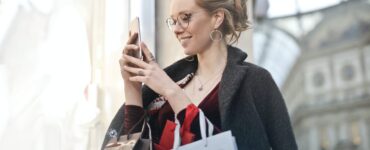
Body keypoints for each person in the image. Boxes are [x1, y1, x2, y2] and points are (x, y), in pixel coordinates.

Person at [102, 0, 298, 149]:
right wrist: (132, 89)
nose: (177, 30)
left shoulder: (256, 82)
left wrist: (171, 91)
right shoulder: (168, 85)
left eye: (185, 18)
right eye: (173, 21)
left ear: (217, 18)